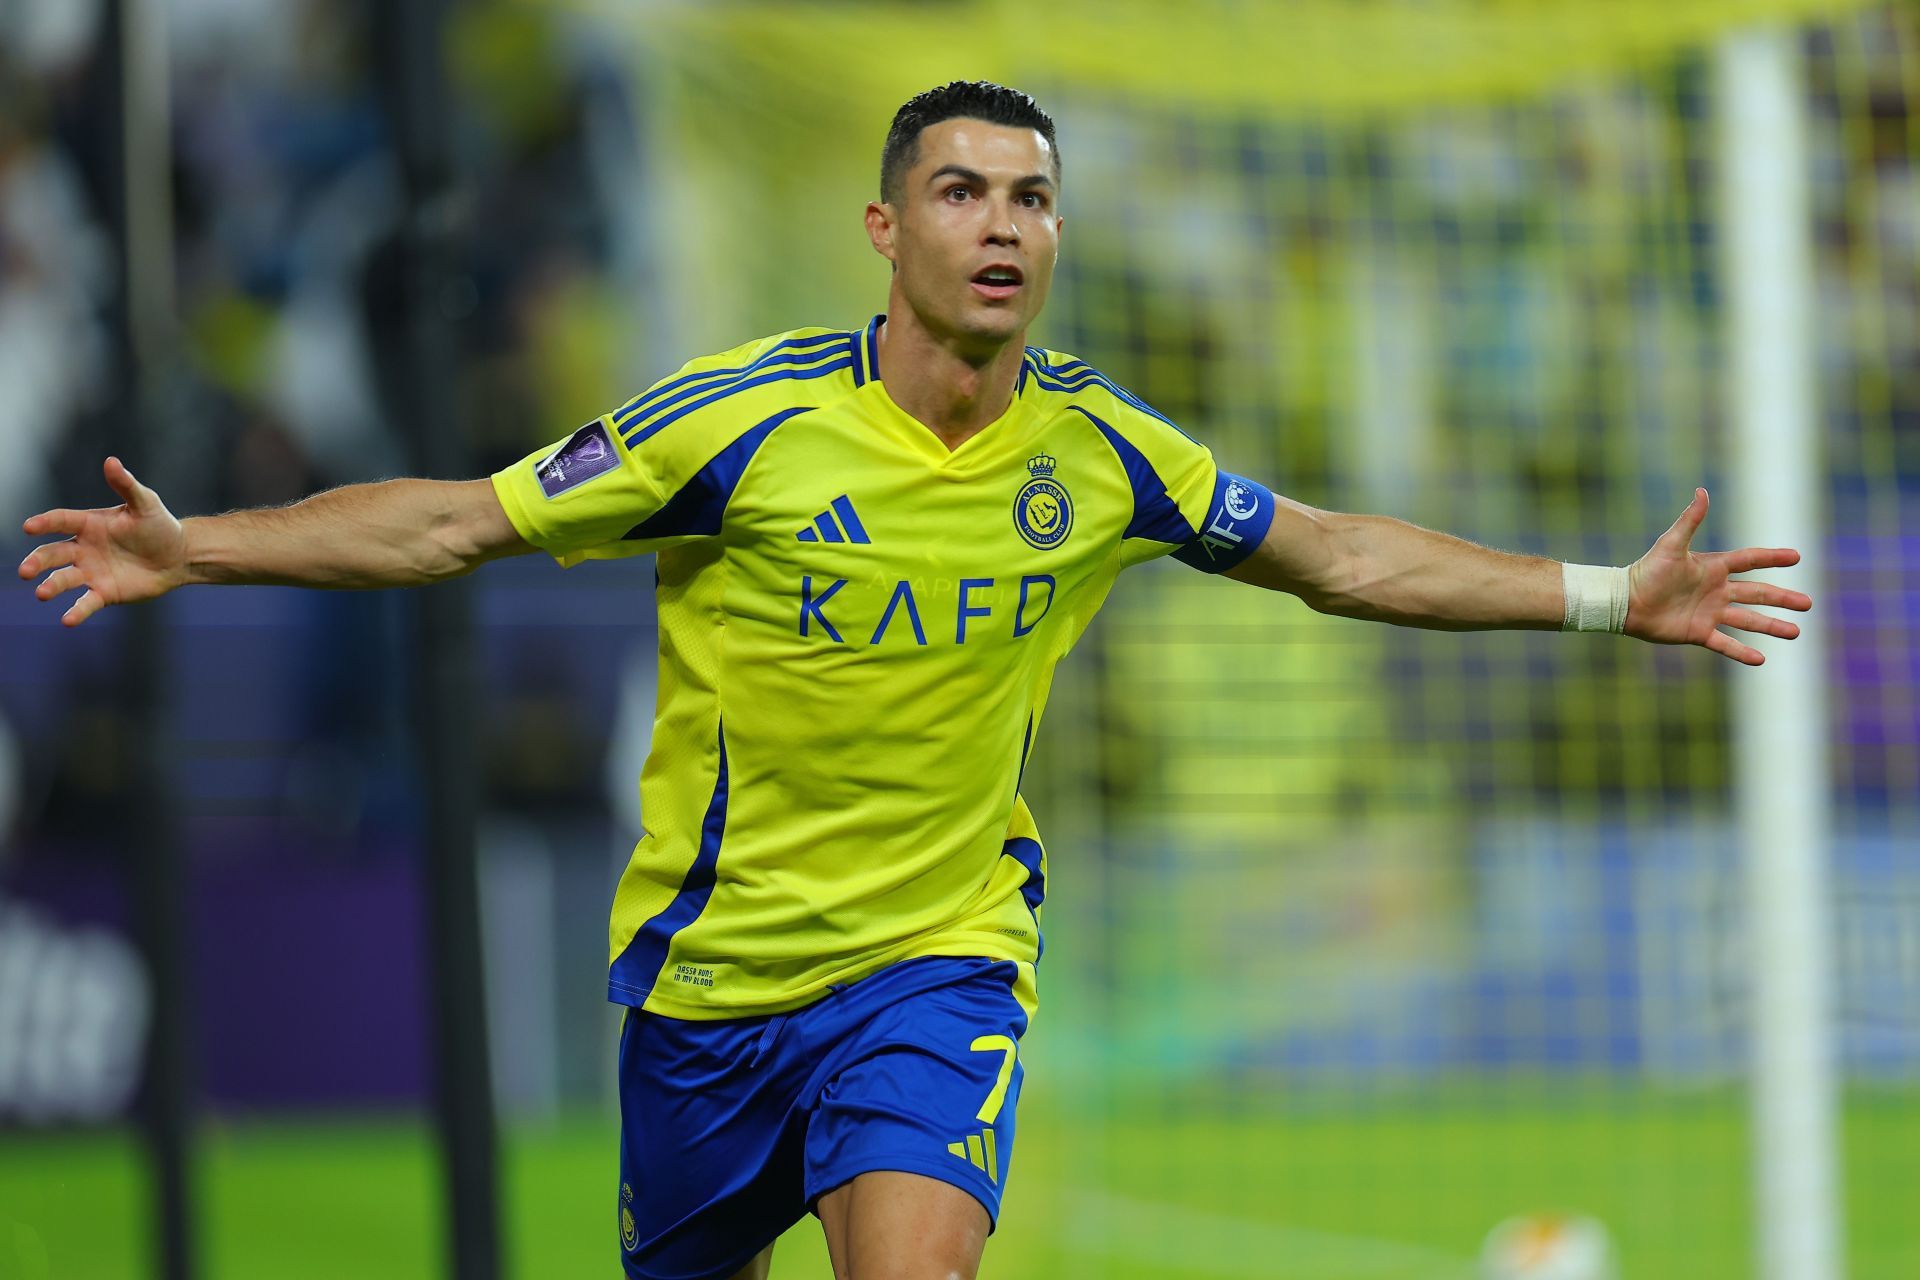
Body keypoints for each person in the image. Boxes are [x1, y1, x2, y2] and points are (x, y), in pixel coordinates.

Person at [17, 81, 1811, 1280]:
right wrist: (201, 547)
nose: (1003, 224)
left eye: (1032, 196)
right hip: (708, 983)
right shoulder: (741, 423)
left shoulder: (1104, 450)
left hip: (938, 960)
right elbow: (453, 527)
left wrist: (1607, 597)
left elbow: (1337, 554)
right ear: (887, 231)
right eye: (960, 192)